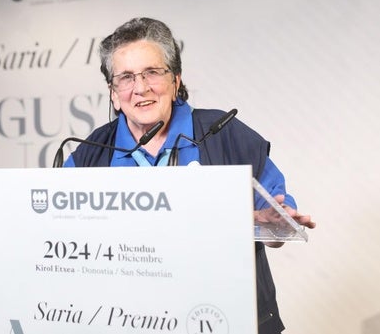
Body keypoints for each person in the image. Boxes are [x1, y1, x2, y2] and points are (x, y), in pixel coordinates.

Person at [63, 17, 316, 334]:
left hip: (227, 320)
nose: (140, 88)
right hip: (128, 321)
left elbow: (276, 218)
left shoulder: (223, 133)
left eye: (152, 73)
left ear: (175, 80)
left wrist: (276, 224)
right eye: (126, 77)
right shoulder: (90, 153)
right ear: (113, 92)